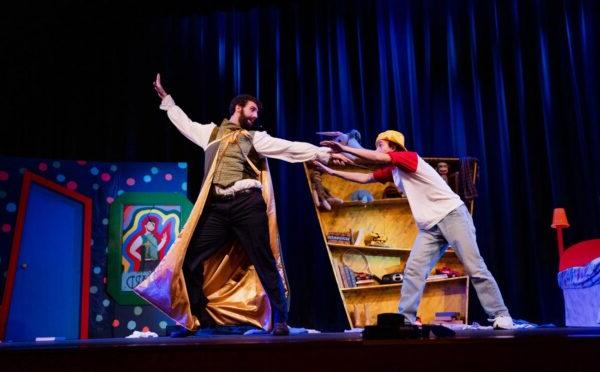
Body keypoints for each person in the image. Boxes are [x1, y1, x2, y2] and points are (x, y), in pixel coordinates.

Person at [136, 73, 343, 337]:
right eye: (253, 109)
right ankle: (197, 319)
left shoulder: (255, 138)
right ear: (238, 107)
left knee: (264, 261)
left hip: (248, 204)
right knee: (189, 259)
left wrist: (324, 153)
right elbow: (184, 123)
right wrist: (168, 101)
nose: (256, 115)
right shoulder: (210, 133)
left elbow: (289, 148)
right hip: (218, 208)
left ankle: (280, 319)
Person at [315, 130, 514, 329]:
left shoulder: (409, 158)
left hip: (452, 215)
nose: (377, 149)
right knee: (413, 271)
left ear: (393, 147)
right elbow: (365, 178)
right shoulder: (393, 170)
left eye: (380, 145)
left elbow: (374, 158)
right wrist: (331, 171)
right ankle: (406, 320)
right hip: (430, 227)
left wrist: (344, 147)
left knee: (474, 267)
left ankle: (500, 314)